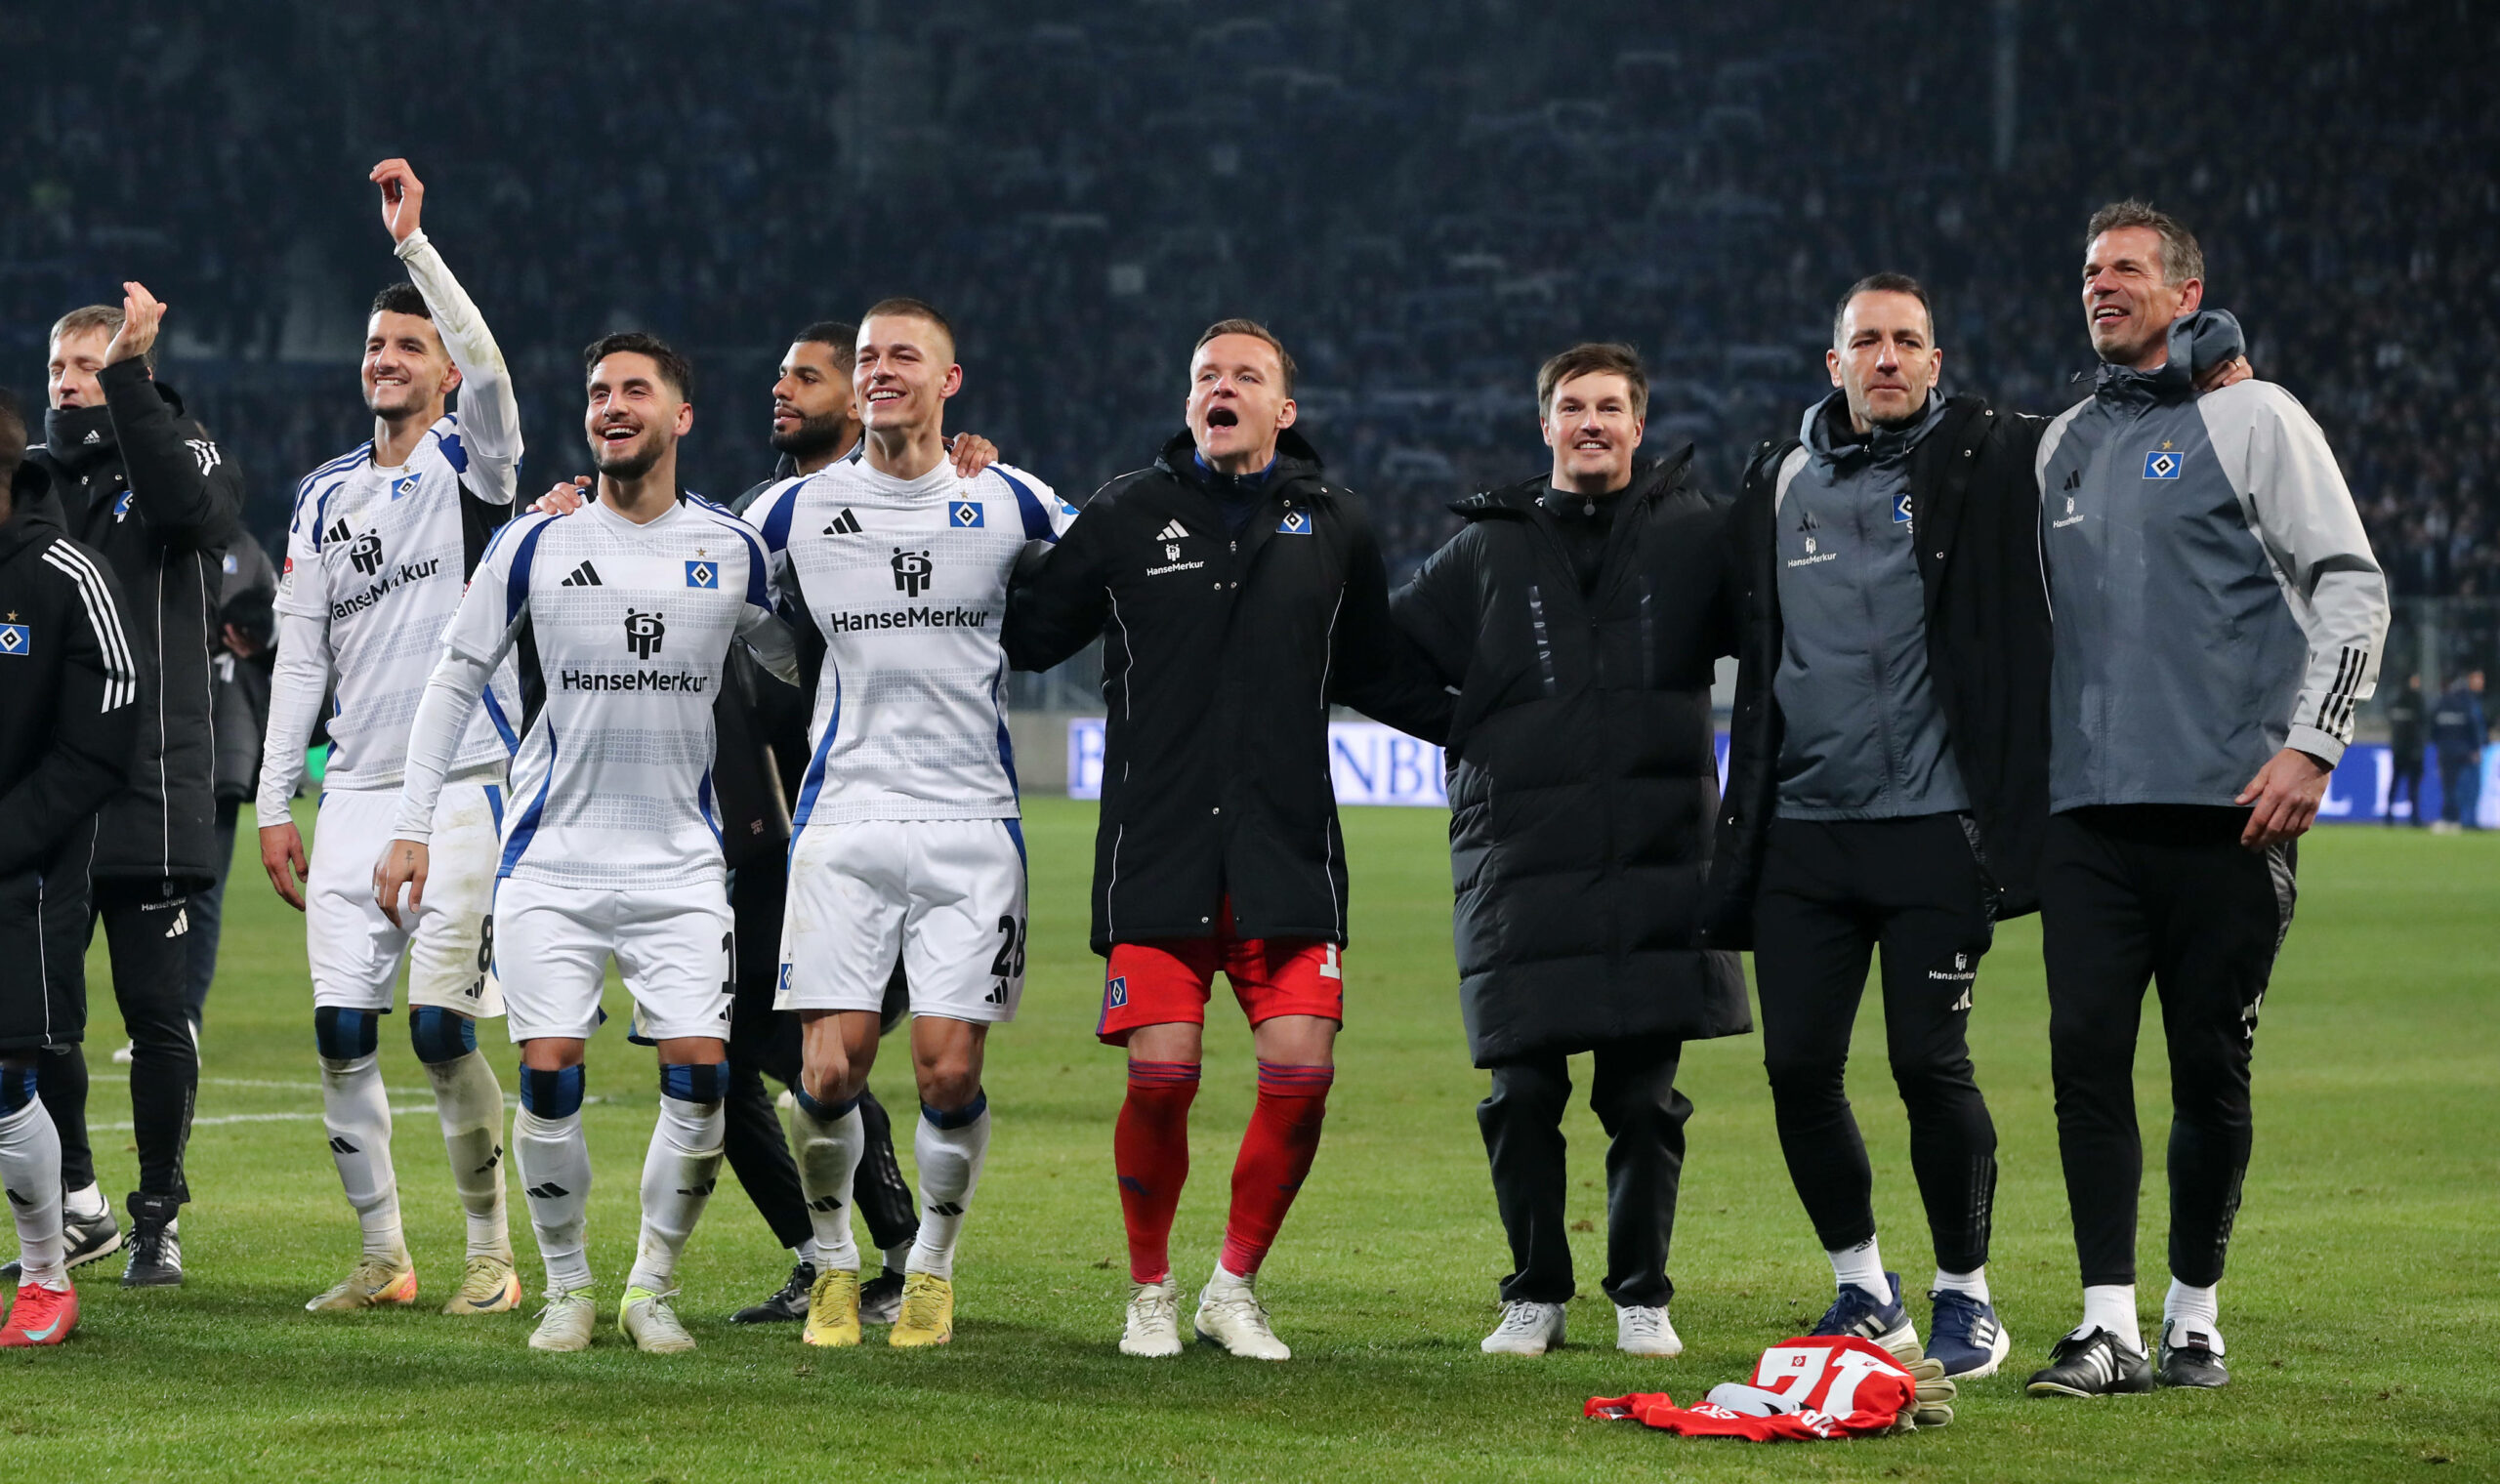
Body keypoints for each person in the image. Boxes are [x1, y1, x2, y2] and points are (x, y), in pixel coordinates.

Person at [534, 321, 999, 1328]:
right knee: (741, 1055)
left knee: (813, 1052)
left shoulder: (906, 512)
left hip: (828, 825)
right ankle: (821, 1250)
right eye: (779, 372)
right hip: (737, 833)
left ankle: (889, 1250)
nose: (781, 389)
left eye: (807, 376)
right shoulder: (764, 521)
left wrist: (970, 467)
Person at [1006, 318, 1447, 1361]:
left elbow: (1376, 668)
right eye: (1207, 374)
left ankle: (1232, 1286)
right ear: (1189, 400)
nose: (1224, 387)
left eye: (1246, 376)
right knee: (1161, 1077)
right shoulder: (1126, 512)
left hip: (1285, 850)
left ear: (1282, 410)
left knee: (1301, 1073)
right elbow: (1030, 632)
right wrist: (976, 510)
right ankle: (1149, 1288)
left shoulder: (1335, 520)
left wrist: (1495, 725)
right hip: (1157, 850)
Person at [2023, 201, 2387, 1396]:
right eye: (2089, 270)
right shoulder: (2059, 442)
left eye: (2127, 268)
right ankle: (2104, 1322)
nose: (2101, 285)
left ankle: (2194, 1316)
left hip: (2229, 807)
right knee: (2083, 1058)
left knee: (2205, 1070)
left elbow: (2349, 585)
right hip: (2084, 808)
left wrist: (2313, 746)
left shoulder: (2256, 416)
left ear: (2185, 293)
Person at [377, 332, 798, 1354]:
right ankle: (567, 1285)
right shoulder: (534, 543)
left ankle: (651, 1285)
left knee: (701, 1074)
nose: (612, 406)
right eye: (599, 392)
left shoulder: (736, 551)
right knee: (550, 1069)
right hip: (552, 861)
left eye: (636, 391)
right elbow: (455, 674)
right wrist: (411, 819)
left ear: (680, 416)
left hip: (682, 860)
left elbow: (797, 654)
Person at [1699, 273, 2064, 1380]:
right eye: (1869, 341)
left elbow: (2096, 433)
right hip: (1802, 832)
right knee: (1797, 1068)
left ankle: (1967, 1294)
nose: (1890, 357)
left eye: (1910, 341)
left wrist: (2201, 377)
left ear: (1937, 363)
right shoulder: (1776, 479)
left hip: (1934, 828)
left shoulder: (1984, 462)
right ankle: (1865, 1287)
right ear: (1835, 363)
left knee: (1926, 1061)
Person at [1389, 343, 1744, 1361]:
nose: (1591, 422)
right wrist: (1465, 726)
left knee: (1642, 1097)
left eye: (1610, 407)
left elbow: (1769, 644)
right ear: (1544, 423)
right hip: (1521, 858)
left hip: (1658, 856)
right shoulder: (1487, 546)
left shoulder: (1694, 534)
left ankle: (1641, 1293)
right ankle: (1535, 1291)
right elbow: (1381, 653)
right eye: (1572, 406)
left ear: (1639, 424)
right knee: (1523, 1092)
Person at [739, 299, 1073, 1349]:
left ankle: (929, 1265)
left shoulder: (1008, 497)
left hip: (971, 821)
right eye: (870, 356)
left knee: (946, 1071)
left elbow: (1111, 574)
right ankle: (835, 1260)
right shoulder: (792, 511)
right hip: (841, 819)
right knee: (826, 1072)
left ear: (949, 379)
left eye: (903, 357)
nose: (881, 370)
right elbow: (678, 554)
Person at [253, 161, 526, 1315]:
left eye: (408, 348)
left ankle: (491, 1257)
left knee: (437, 1026)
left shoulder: (477, 471)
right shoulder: (321, 498)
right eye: (376, 346)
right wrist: (276, 799)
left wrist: (418, 250)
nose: (385, 361)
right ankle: (384, 1254)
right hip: (353, 789)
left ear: (442, 371)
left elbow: (501, 376)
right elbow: (301, 659)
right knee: (338, 1032)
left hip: (465, 784)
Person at [27, 282, 244, 1286]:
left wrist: (127, 386)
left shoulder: (179, 451)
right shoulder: (27, 482)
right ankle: (77, 1198)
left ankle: (158, 1210)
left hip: (153, 782)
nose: (68, 386)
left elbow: (187, 513)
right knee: (37, 1014)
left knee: (156, 1014)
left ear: (129, 371)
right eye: (59, 371)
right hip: (47, 793)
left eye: (87, 367)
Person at [0, 390, 140, 1344]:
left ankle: (47, 1274)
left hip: (16, 872)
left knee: (8, 1079)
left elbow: (106, 725)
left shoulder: (63, 573)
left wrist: (10, 834)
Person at [181, 532, 277, 1037]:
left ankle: (185, 1020)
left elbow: (282, 629)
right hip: (160, 743)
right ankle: (159, 1020)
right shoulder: (163, 534)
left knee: (203, 892)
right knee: (141, 891)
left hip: (222, 750)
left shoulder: (249, 553)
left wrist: (257, 638)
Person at [2429, 671, 2488, 833]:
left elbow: (2433, 729)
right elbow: (2473, 727)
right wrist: (2476, 748)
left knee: (2449, 787)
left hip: (2446, 751)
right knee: (2464, 788)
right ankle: (2463, 820)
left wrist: (2439, 744)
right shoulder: (2467, 703)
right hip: (2463, 752)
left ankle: (2452, 819)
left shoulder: (2442, 703)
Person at [2383, 674, 2426, 826]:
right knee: (2411, 786)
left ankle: (2389, 815)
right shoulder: (2417, 701)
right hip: (2411, 750)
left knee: (2396, 783)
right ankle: (2413, 818)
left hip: (2399, 750)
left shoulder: (2395, 701)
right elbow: (2423, 725)